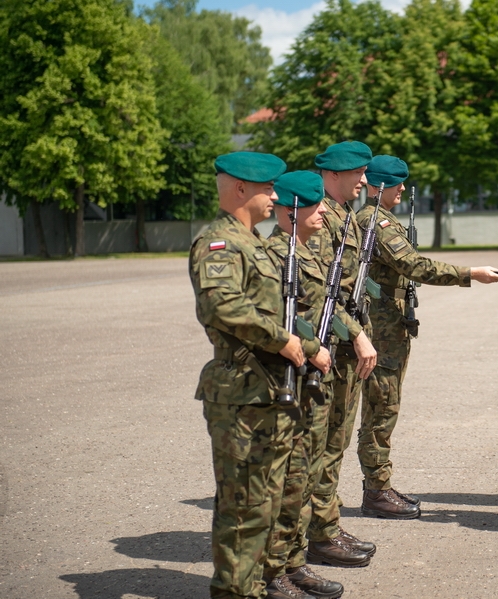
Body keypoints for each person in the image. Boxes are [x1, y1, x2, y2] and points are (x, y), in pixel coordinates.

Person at [189, 151, 309, 599]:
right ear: (241, 189)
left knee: (265, 503)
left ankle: (253, 585)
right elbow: (222, 305)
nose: (276, 197)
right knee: (243, 507)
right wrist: (282, 340)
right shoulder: (219, 243)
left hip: (268, 389)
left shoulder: (254, 241)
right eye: (269, 189)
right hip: (240, 392)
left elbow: (278, 308)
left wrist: (307, 347)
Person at [357, 155, 498, 518]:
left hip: (390, 328)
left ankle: (379, 486)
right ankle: (376, 491)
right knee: (381, 407)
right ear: (376, 185)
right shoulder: (375, 221)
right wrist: (470, 273)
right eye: (396, 183)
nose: (403, 188)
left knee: (384, 407)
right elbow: (414, 266)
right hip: (382, 331)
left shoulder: (380, 219)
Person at [264, 170, 352, 599]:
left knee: (308, 472)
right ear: (291, 210)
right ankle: (277, 570)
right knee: (290, 479)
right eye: (314, 207)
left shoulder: (307, 250)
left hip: (315, 379)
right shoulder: (276, 253)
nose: (323, 213)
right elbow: (281, 316)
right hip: (291, 379)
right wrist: (314, 346)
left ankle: (296, 562)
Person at [305, 141, 379, 568]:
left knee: (336, 441)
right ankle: (319, 533)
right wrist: (356, 334)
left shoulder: (347, 216)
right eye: (358, 174)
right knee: (323, 444)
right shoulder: (320, 218)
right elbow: (319, 296)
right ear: (333, 175)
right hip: (329, 348)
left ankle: (326, 526)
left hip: (347, 347)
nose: (364, 181)